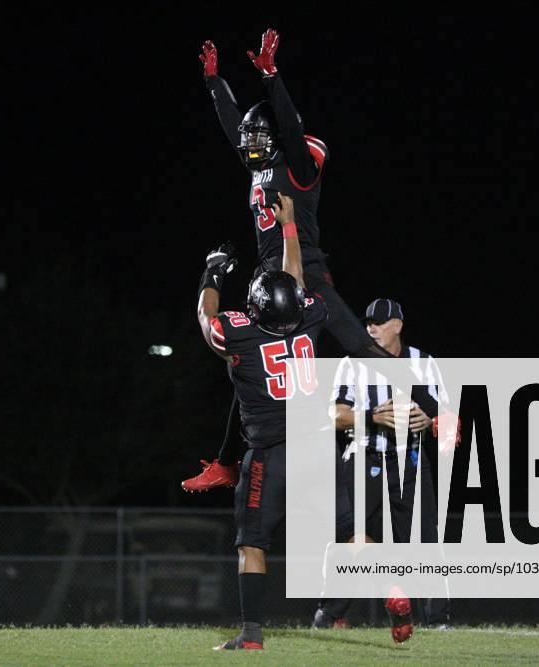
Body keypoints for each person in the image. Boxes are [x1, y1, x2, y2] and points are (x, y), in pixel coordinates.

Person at [183, 28, 390, 493]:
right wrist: (215, 81)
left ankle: (433, 408)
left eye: (260, 137)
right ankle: (227, 461)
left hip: (307, 277)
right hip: (269, 282)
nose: (249, 144)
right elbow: (233, 122)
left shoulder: (295, 166)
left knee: (360, 346)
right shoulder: (259, 160)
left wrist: (272, 77)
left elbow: (291, 131)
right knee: (246, 363)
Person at [198, 194, 328, 651]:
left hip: (271, 451)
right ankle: (396, 594)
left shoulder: (239, 333)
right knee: (349, 531)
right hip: (319, 445)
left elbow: (206, 318)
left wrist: (212, 272)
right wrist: (290, 226)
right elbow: (295, 282)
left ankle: (251, 634)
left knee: (252, 544)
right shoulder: (311, 316)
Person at [314, 299, 452, 636]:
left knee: (425, 543)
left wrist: (429, 421)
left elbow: (448, 421)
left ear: (398, 326)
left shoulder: (423, 362)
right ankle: (330, 613)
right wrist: (373, 417)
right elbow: (335, 415)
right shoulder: (353, 363)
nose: (371, 327)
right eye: (368, 322)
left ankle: (438, 620)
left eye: (379, 321)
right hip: (365, 459)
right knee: (352, 538)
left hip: (411, 462)